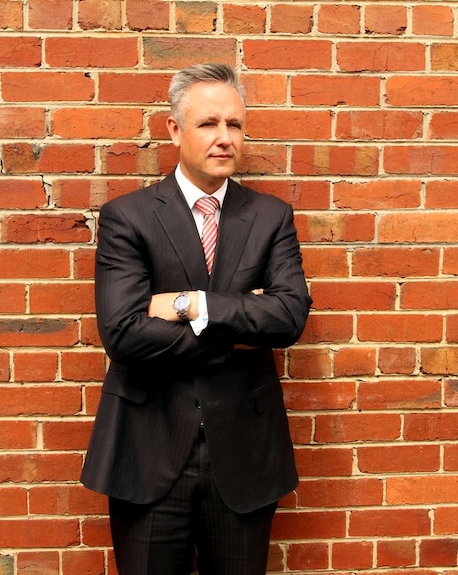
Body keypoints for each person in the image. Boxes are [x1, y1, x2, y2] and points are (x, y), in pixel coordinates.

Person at [80, 63, 313, 574]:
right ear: (175, 129)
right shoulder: (130, 217)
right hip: (148, 449)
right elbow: (122, 333)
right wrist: (244, 322)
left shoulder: (271, 217)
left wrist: (193, 305)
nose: (224, 138)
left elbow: (290, 317)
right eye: (209, 123)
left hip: (245, 453)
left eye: (234, 124)